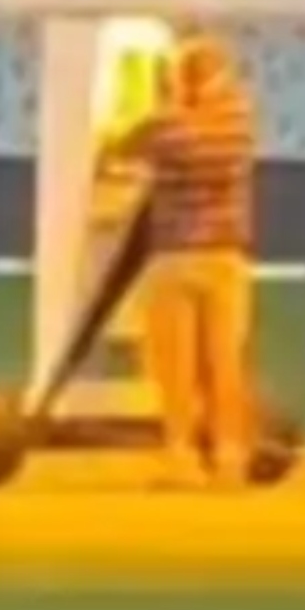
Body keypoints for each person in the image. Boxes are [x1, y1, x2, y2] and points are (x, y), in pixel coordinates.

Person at [122, 30, 259, 489]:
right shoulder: (240, 119)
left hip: (176, 256)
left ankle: (181, 456)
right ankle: (229, 456)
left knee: (175, 366)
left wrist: (164, 99)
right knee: (226, 363)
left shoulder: (168, 127)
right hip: (226, 256)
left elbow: (124, 145)